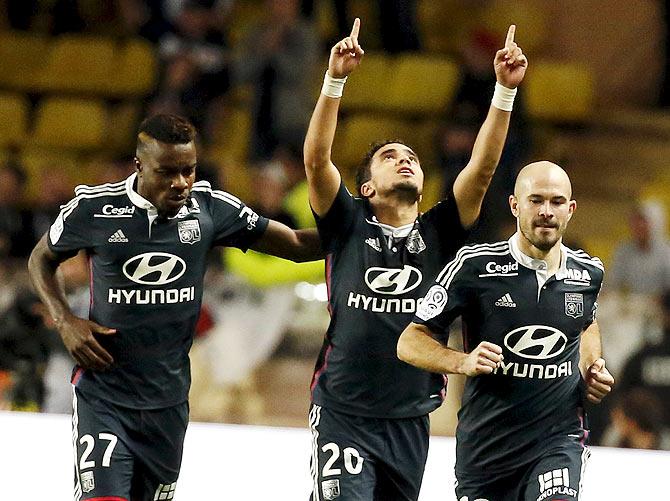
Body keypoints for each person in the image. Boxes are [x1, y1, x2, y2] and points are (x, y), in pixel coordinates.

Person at [27, 114, 322, 501]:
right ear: (139, 166)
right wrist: (65, 320)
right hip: (106, 395)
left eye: (189, 170)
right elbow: (41, 258)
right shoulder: (94, 209)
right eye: (167, 172)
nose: (181, 183)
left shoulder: (211, 208)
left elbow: (297, 245)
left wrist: (365, 232)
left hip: (167, 403)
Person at [304, 18, 527, 500]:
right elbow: (318, 161)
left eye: (411, 156)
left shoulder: (441, 231)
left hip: (410, 418)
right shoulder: (347, 222)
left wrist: (504, 93)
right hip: (345, 412)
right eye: (389, 156)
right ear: (366, 188)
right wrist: (334, 80)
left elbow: (483, 169)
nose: (405, 159)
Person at [398, 161, 616, 501]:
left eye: (557, 202)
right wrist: (463, 362)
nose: (546, 211)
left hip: (557, 441)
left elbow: (586, 324)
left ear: (571, 210)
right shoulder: (474, 267)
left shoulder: (589, 273)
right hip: (486, 451)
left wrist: (591, 368)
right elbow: (410, 341)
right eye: (536, 200)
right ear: (515, 205)